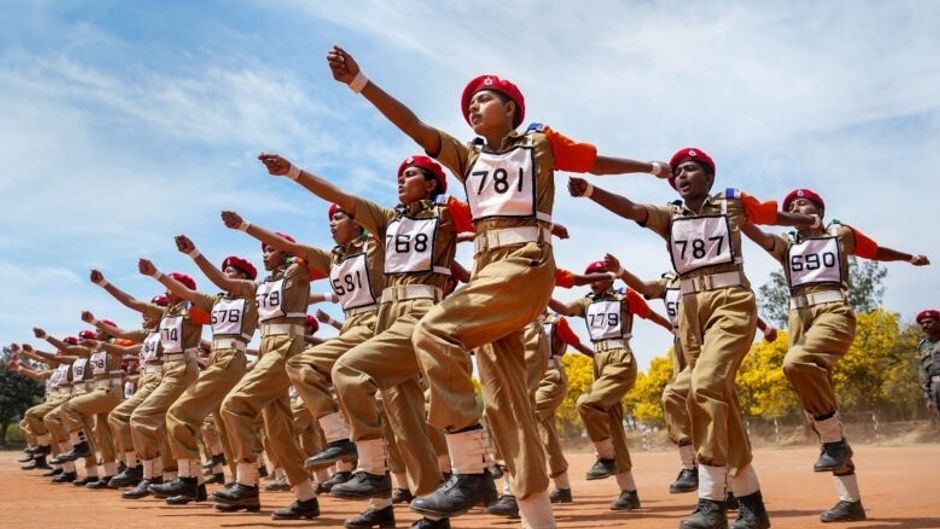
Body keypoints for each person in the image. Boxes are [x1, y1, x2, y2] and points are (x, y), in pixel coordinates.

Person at [327, 45, 664, 529]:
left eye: (484, 99)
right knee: (506, 402)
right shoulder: (466, 157)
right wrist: (360, 83)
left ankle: (471, 469)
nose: (473, 106)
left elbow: (595, 161)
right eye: (469, 102)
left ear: (511, 108)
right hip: (488, 270)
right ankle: (536, 515)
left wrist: (650, 168)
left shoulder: (540, 144)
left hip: (525, 264)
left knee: (434, 331)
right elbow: (414, 126)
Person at [568, 147, 820, 529]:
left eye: (690, 169)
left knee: (703, 385)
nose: (681, 176)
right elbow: (632, 209)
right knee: (711, 397)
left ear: (709, 177)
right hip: (690, 311)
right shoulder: (669, 216)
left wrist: (805, 221)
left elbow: (771, 214)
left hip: (731, 301)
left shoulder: (730, 204)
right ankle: (751, 503)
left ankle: (711, 501)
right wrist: (590, 191)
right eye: (678, 172)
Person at [742, 187, 929, 522]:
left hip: (833, 311)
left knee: (796, 362)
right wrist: (740, 214)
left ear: (819, 210)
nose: (796, 206)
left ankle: (835, 443)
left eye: (803, 203)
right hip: (799, 318)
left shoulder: (839, 234)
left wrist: (906, 257)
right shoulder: (788, 245)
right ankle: (850, 499)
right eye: (791, 206)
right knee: (820, 420)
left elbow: (874, 250)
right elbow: (759, 236)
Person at [604, 255, 776, 496]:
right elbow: (644, 288)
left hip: (714, 341)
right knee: (693, 406)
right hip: (683, 346)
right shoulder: (670, 283)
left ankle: (704, 473)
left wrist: (765, 327)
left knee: (700, 403)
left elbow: (732, 302)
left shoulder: (711, 275)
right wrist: (621, 270)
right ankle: (702, 471)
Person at [209, 218, 321, 519]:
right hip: (268, 350)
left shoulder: (298, 270)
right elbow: (224, 284)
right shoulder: (260, 286)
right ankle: (306, 498)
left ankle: (246, 480)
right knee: (277, 431)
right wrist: (194, 254)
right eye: (263, 249)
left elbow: (317, 262)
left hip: (286, 347)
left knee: (233, 405)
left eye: (271, 248)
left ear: (284, 252)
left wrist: (246, 226)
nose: (265, 253)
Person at [137, 247, 258, 505]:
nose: (225, 276)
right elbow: (187, 293)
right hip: (217, 360)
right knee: (226, 424)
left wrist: (193, 253)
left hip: (232, 359)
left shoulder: (250, 296)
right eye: (224, 271)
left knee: (180, 414)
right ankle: (240, 486)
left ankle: (190, 479)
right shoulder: (216, 302)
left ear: (245, 279)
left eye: (232, 273)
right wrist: (156, 274)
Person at [549, 260, 672, 511]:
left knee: (587, 403)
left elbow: (649, 314)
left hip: (620, 359)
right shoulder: (586, 302)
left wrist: (672, 328)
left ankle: (605, 457)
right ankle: (629, 492)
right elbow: (563, 308)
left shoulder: (625, 297)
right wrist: (541, 291)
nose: (592, 281)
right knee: (614, 427)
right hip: (599, 362)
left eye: (597, 277)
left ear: (609, 278)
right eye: (589, 278)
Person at [90, 269, 206, 497]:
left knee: (141, 418)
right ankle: (193, 484)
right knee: (167, 425)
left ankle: (147, 472)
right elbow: (131, 303)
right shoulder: (164, 317)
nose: (166, 293)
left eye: (170, 289)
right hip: (168, 373)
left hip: (178, 371)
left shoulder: (191, 311)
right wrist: (104, 284)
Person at [917, 309, 940, 424]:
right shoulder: (923, 346)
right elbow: (923, 373)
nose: (925, 325)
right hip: (935, 388)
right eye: (922, 323)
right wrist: (928, 397)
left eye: (929, 322)